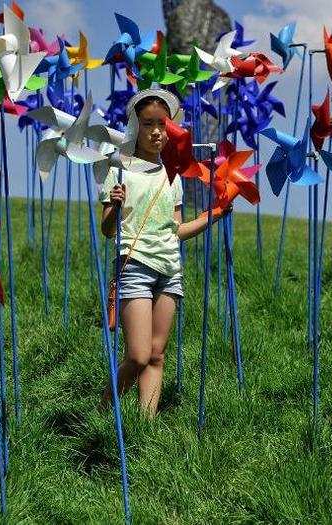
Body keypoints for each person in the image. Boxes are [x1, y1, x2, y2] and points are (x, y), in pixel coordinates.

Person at [99, 89, 230, 418]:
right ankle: (103, 409)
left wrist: (211, 216)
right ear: (135, 126)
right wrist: (114, 206)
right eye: (148, 124)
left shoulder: (173, 175)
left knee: (157, 355)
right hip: (136, 265)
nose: (156, 131)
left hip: (170, 269)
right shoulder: (118, 171)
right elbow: (108, 230)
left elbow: (175, 231)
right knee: (138, 356)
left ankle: (145, 426)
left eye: (162, 124)